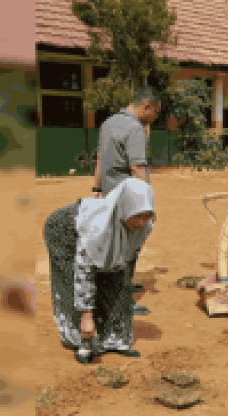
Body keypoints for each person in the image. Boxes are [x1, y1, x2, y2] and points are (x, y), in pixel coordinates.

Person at [45, 179, 156, 365]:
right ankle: (84, 343)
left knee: (117, 280)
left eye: (147, 216)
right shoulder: (97, 230)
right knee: (72, 283)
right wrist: (86, 316)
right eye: (138, 216)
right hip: (64, 232)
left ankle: (115, 339)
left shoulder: (144, 226)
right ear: (124, 208)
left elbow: (126, 264)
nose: (142, 222)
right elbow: (84, 271)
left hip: (104, 233)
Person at [93, 87, 162, 316]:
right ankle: (121, 299)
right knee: (128, 248)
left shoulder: (108, 123)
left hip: (109, 195)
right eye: (156, 112)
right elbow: (137, 168)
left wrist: (96, 188)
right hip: (128, 200)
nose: (156, 117)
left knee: (118, 244)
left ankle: (122, 287)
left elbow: (100, 159)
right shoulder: (135, 129)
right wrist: (146, 206)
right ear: (147, 106)